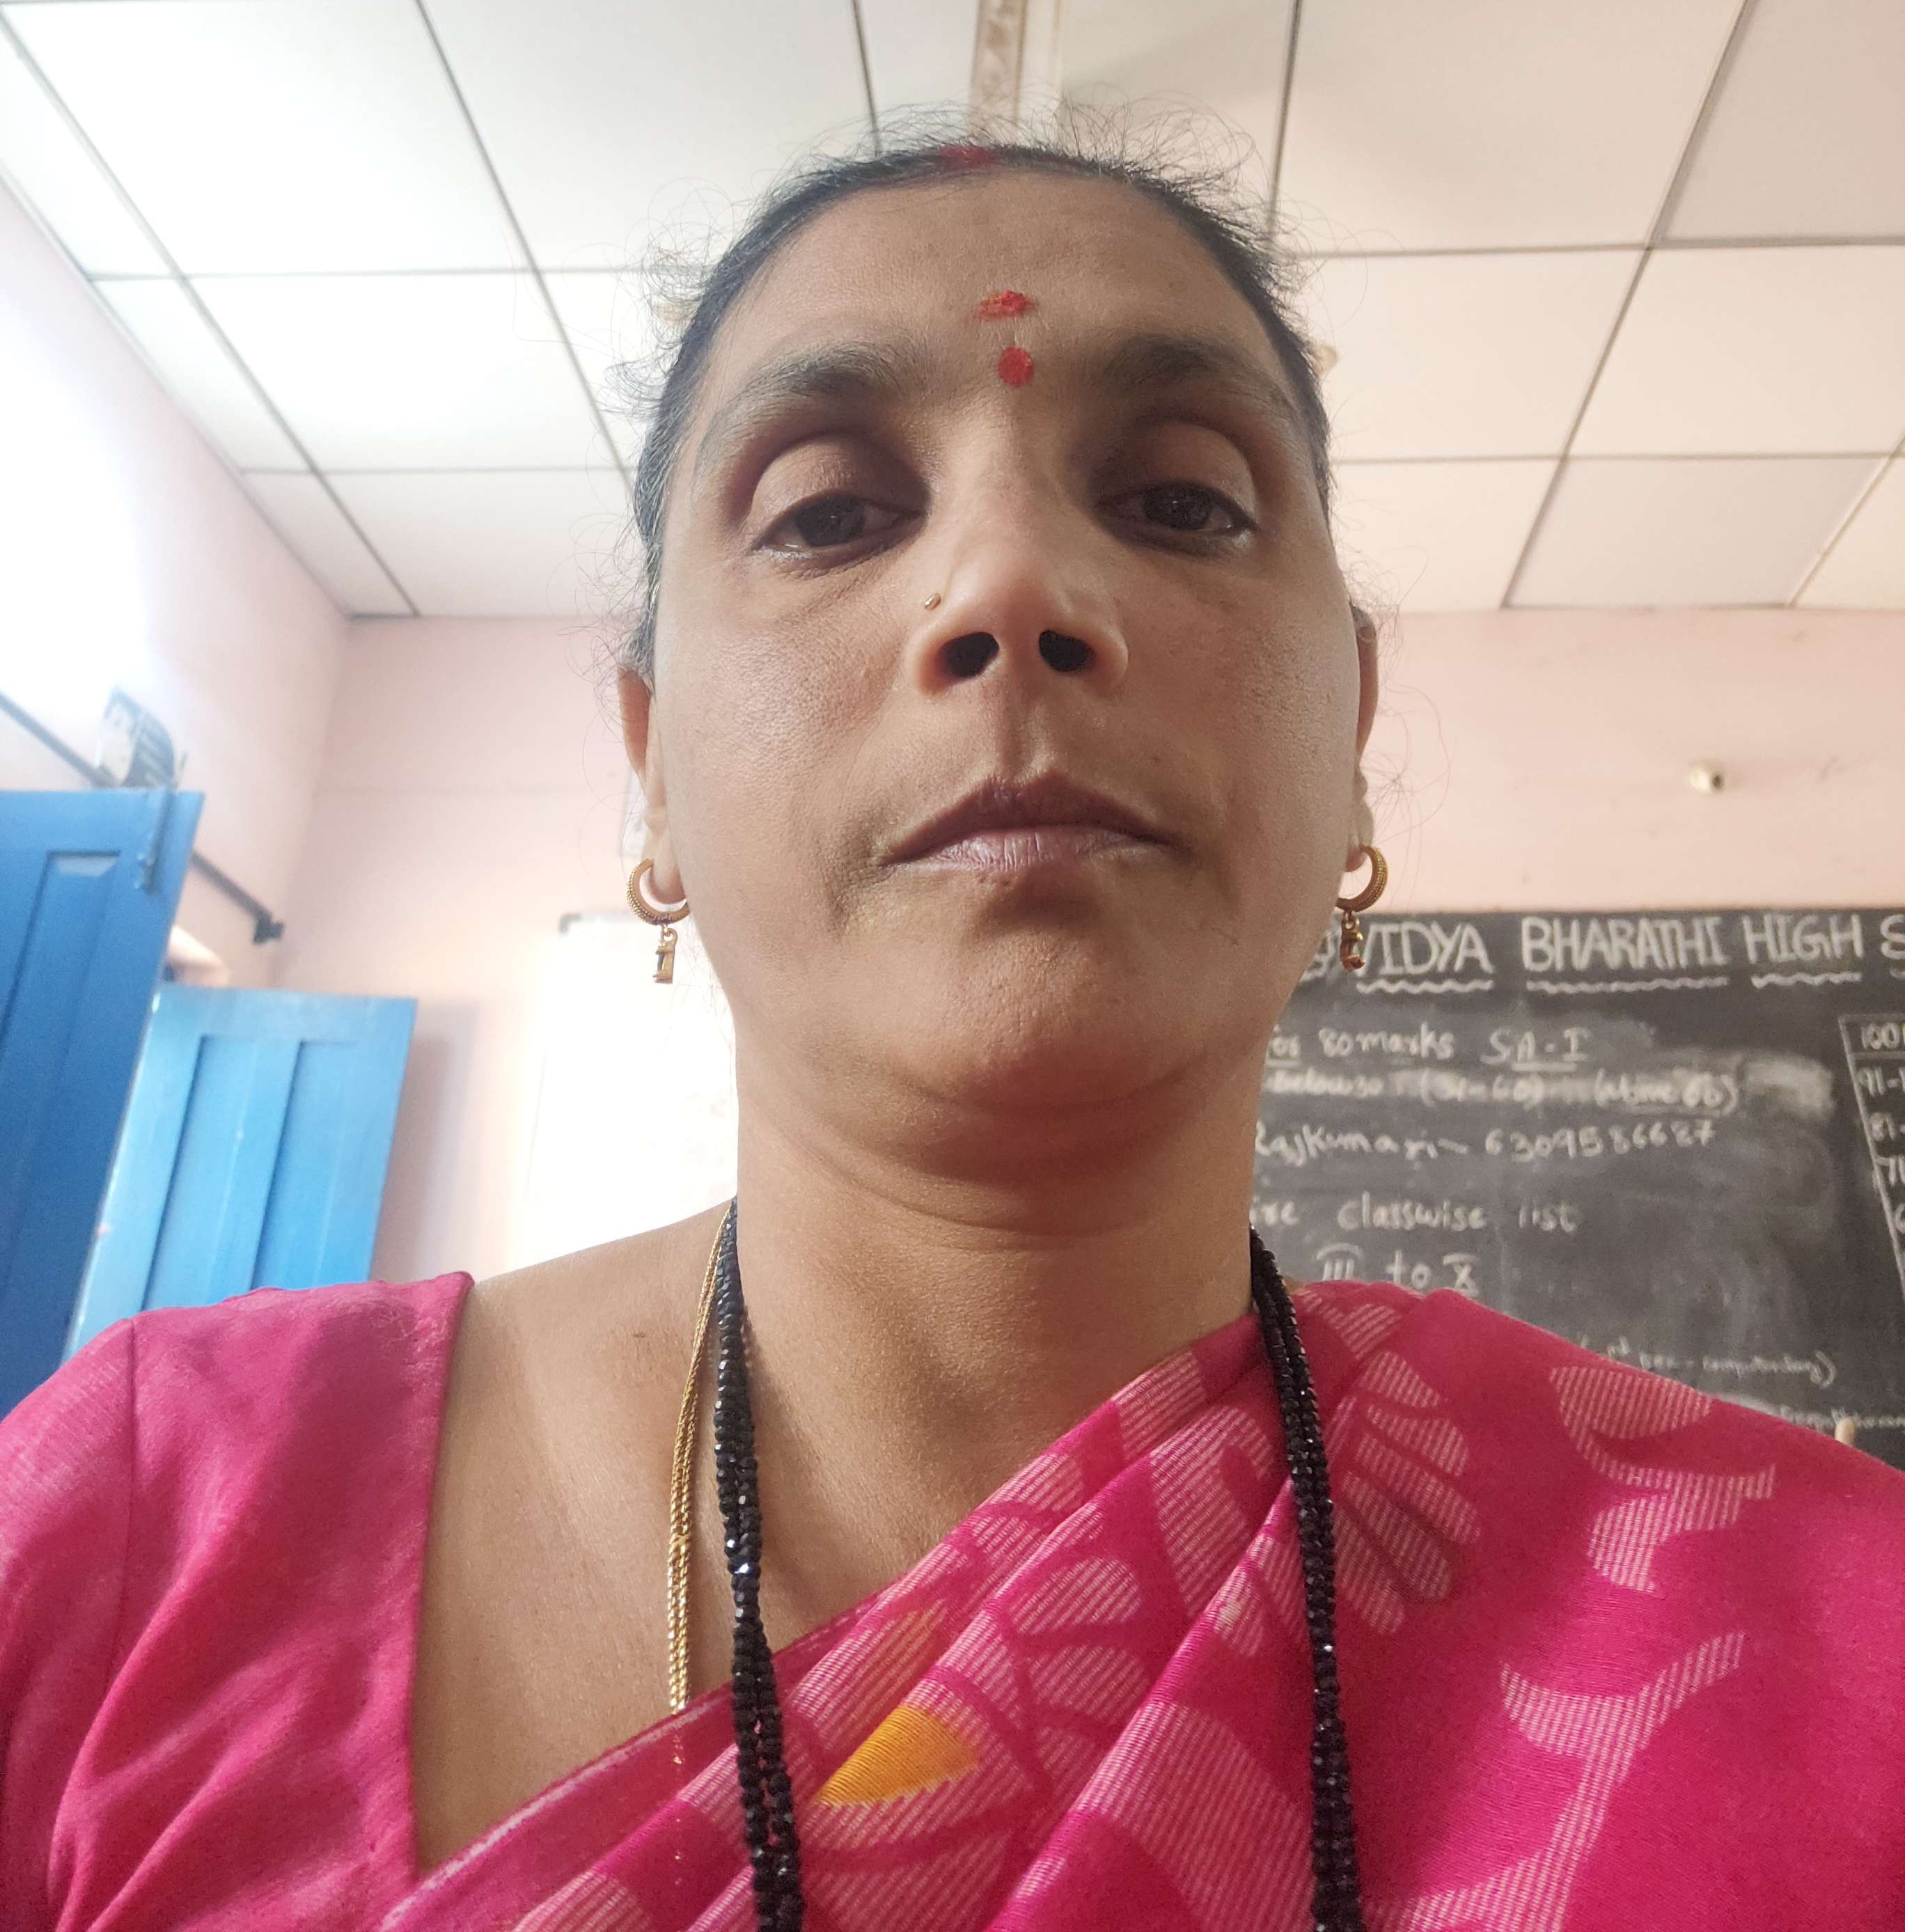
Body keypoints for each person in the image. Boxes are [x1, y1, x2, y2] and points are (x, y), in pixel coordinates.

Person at [3, 129, 1904, 1932]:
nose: (1010, 587)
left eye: (1183, 501)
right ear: (652, 771)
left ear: (1350, 731)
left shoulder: (1822, 1628)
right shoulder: (155, 1518)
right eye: (829, 513)